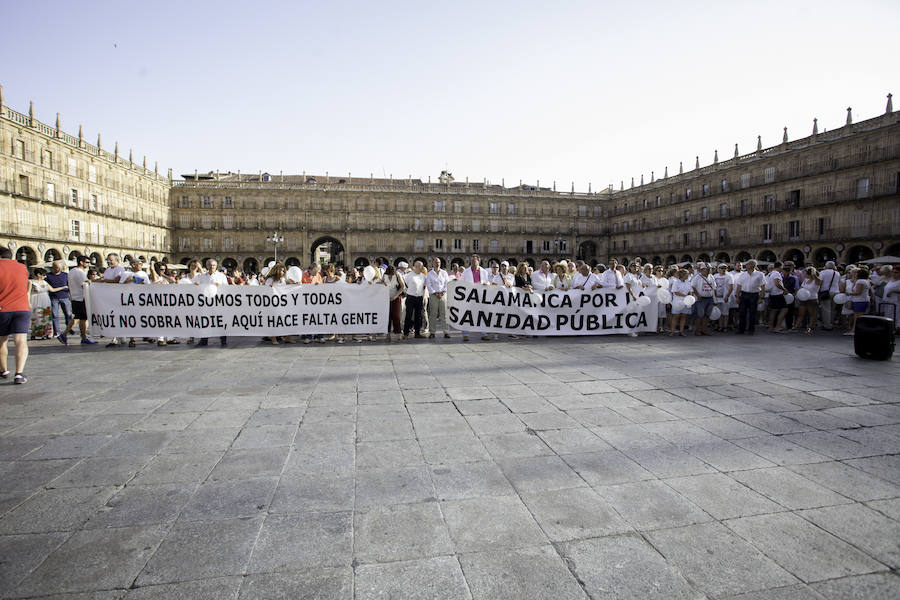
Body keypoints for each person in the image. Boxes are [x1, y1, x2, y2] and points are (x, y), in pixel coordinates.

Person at [0, 248, 31, 384]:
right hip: (22, 308)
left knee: (2, 340)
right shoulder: (22, 267)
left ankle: (4, 370)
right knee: (21, 340)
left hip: (2, 309)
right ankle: (19, 373)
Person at [194, 258, 228, 347]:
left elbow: (227, 288)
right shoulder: (202, 276)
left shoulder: (221, 276)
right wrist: (197, 284)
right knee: (205, 321)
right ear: (207, 266)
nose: (211, 267)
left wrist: (219, 285)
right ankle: (204, 340)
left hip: (218, 302)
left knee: (220, 321)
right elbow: (196, 285)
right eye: (210, 265)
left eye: (213, 265)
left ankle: (223, 340)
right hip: (206, 303)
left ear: (216, 266)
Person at [458, 254, 491, 341]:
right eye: (471, 261)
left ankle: (484, 333)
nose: (472, 262)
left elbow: (488, 283)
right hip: (470, 296)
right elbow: (461, 283)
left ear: (478, 261)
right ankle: (465, 334)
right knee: (467, 315)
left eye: (474, 261)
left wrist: (486, 284)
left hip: (481, 296)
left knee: (482, 315)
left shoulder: (484, 272)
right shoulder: (466, 272)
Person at [68, 255, 97, 344]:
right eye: (87, 262)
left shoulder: (71, 271)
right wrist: (92, 282)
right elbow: (84, 284)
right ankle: (83, 337)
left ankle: (65, 334)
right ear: (81, 262)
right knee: (83, 318)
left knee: (78, 317)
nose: (88, 264)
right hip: (81, 297)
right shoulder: (79, 272)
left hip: (74, 297)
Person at [45, 260, 74, 345]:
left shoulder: (66, 275)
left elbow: (70, 286)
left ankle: (69, 328)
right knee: (54, 315)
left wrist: (71, 295)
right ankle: (57, 332)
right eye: (55, 267)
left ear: (61, 267)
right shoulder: (48, 276)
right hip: (53, 297)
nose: (56, 268)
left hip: (65, 296)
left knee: (68, 314)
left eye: (58, 267)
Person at [735, 259, 767, 334]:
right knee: (742, 312)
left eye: (749, 264)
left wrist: (761, 297)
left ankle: (751, 329)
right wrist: (737, 296)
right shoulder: (743, 274)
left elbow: (763, 287)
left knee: (753, 313)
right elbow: (739, 286)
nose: (747, 265)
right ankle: (741, 329)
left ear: (753, 265)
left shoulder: (760, 274)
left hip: (754, 294)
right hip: (744, 294)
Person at [425, 257, 451, 339]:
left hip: (443, 295)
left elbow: (447, 283)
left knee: (444, 314)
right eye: (436, 262)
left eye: (439, 262)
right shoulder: (429, 274)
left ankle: (446, 332)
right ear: (433, 263)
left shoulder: (444, 273)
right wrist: (436, 293)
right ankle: (432, 332)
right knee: (433, 314)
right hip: (433, 295)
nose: (437, 263)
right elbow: (429, 285)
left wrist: (443, 292)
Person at [403, 260, 426, 339]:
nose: (422, 268)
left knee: (418, 316)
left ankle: (417, 333)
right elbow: (403, 285)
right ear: (415, 267)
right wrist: (405, 292)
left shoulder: (423, 276)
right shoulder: (408, 275)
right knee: (408, 316)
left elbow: (424, 286)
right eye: (420, 266)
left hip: (419, 298)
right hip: (410, 297)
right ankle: (406, 333)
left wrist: (423, 296)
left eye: (422, 266)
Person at [691, 263, 715, 336]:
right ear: (702, 269)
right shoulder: (697, 277)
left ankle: (704, 329)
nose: (709, 270)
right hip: (701, 299)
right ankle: (698, 330)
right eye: (707, 269)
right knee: (700, 315)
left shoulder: (711, 277)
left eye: (709, 269)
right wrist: (697, 295)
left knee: (707, 315)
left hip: (709, 298)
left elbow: (714, 287)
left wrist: (715, 298)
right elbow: (693, 286)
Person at [794, 266, 821, 333]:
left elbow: (818, 282)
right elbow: (801, 287)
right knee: (801, 314)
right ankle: (795, 326)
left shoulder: (816, 280)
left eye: (805, 273)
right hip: (803, 298)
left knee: (811, 314)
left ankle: (810, 328)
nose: (804, 274)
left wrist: (813, 272)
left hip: (812, 299)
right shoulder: (806, 280)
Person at [28, 268, 53, 339]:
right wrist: (28, 302)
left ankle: (46, 333)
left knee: (46, 317)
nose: (45, 276)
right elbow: (28, 292)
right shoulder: (31, 282)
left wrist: (64, 287)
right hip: (35, 300)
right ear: (39, 275)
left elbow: (52, 289)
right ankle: (35, 333)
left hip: (45, 300)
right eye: (44, 275)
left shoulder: (44, 282)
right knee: (36, 316)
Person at [846, 267, 872, 336]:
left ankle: (856, 330)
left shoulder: (860, 281)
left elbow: (858, 292)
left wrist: (849, 293)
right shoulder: (866, 281)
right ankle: (855, 330)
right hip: (862, 300)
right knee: (857, 316)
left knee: (858, 317)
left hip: (859, 300)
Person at [384, 265, 406, 342]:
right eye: (389, 274)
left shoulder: (397, 275)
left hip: (396, 297)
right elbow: (382, 283)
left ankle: (398, 334)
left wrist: (395, 296)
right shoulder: (385, 275)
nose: (390, 276)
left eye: (391, 275)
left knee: (396, 316)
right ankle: (388, 335)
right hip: (386, 298)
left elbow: (403, 287)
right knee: (387, 316)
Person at [766, 262, 789, 333]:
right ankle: (778, 326)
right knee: (785, 309)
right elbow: (777, 283)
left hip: (772, 294)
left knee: (774, 310)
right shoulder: (776, 273)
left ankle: (771, 326)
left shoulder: (770, 273)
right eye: (782, 267)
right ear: (780, 266)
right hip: (777, 294)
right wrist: (784, 289)